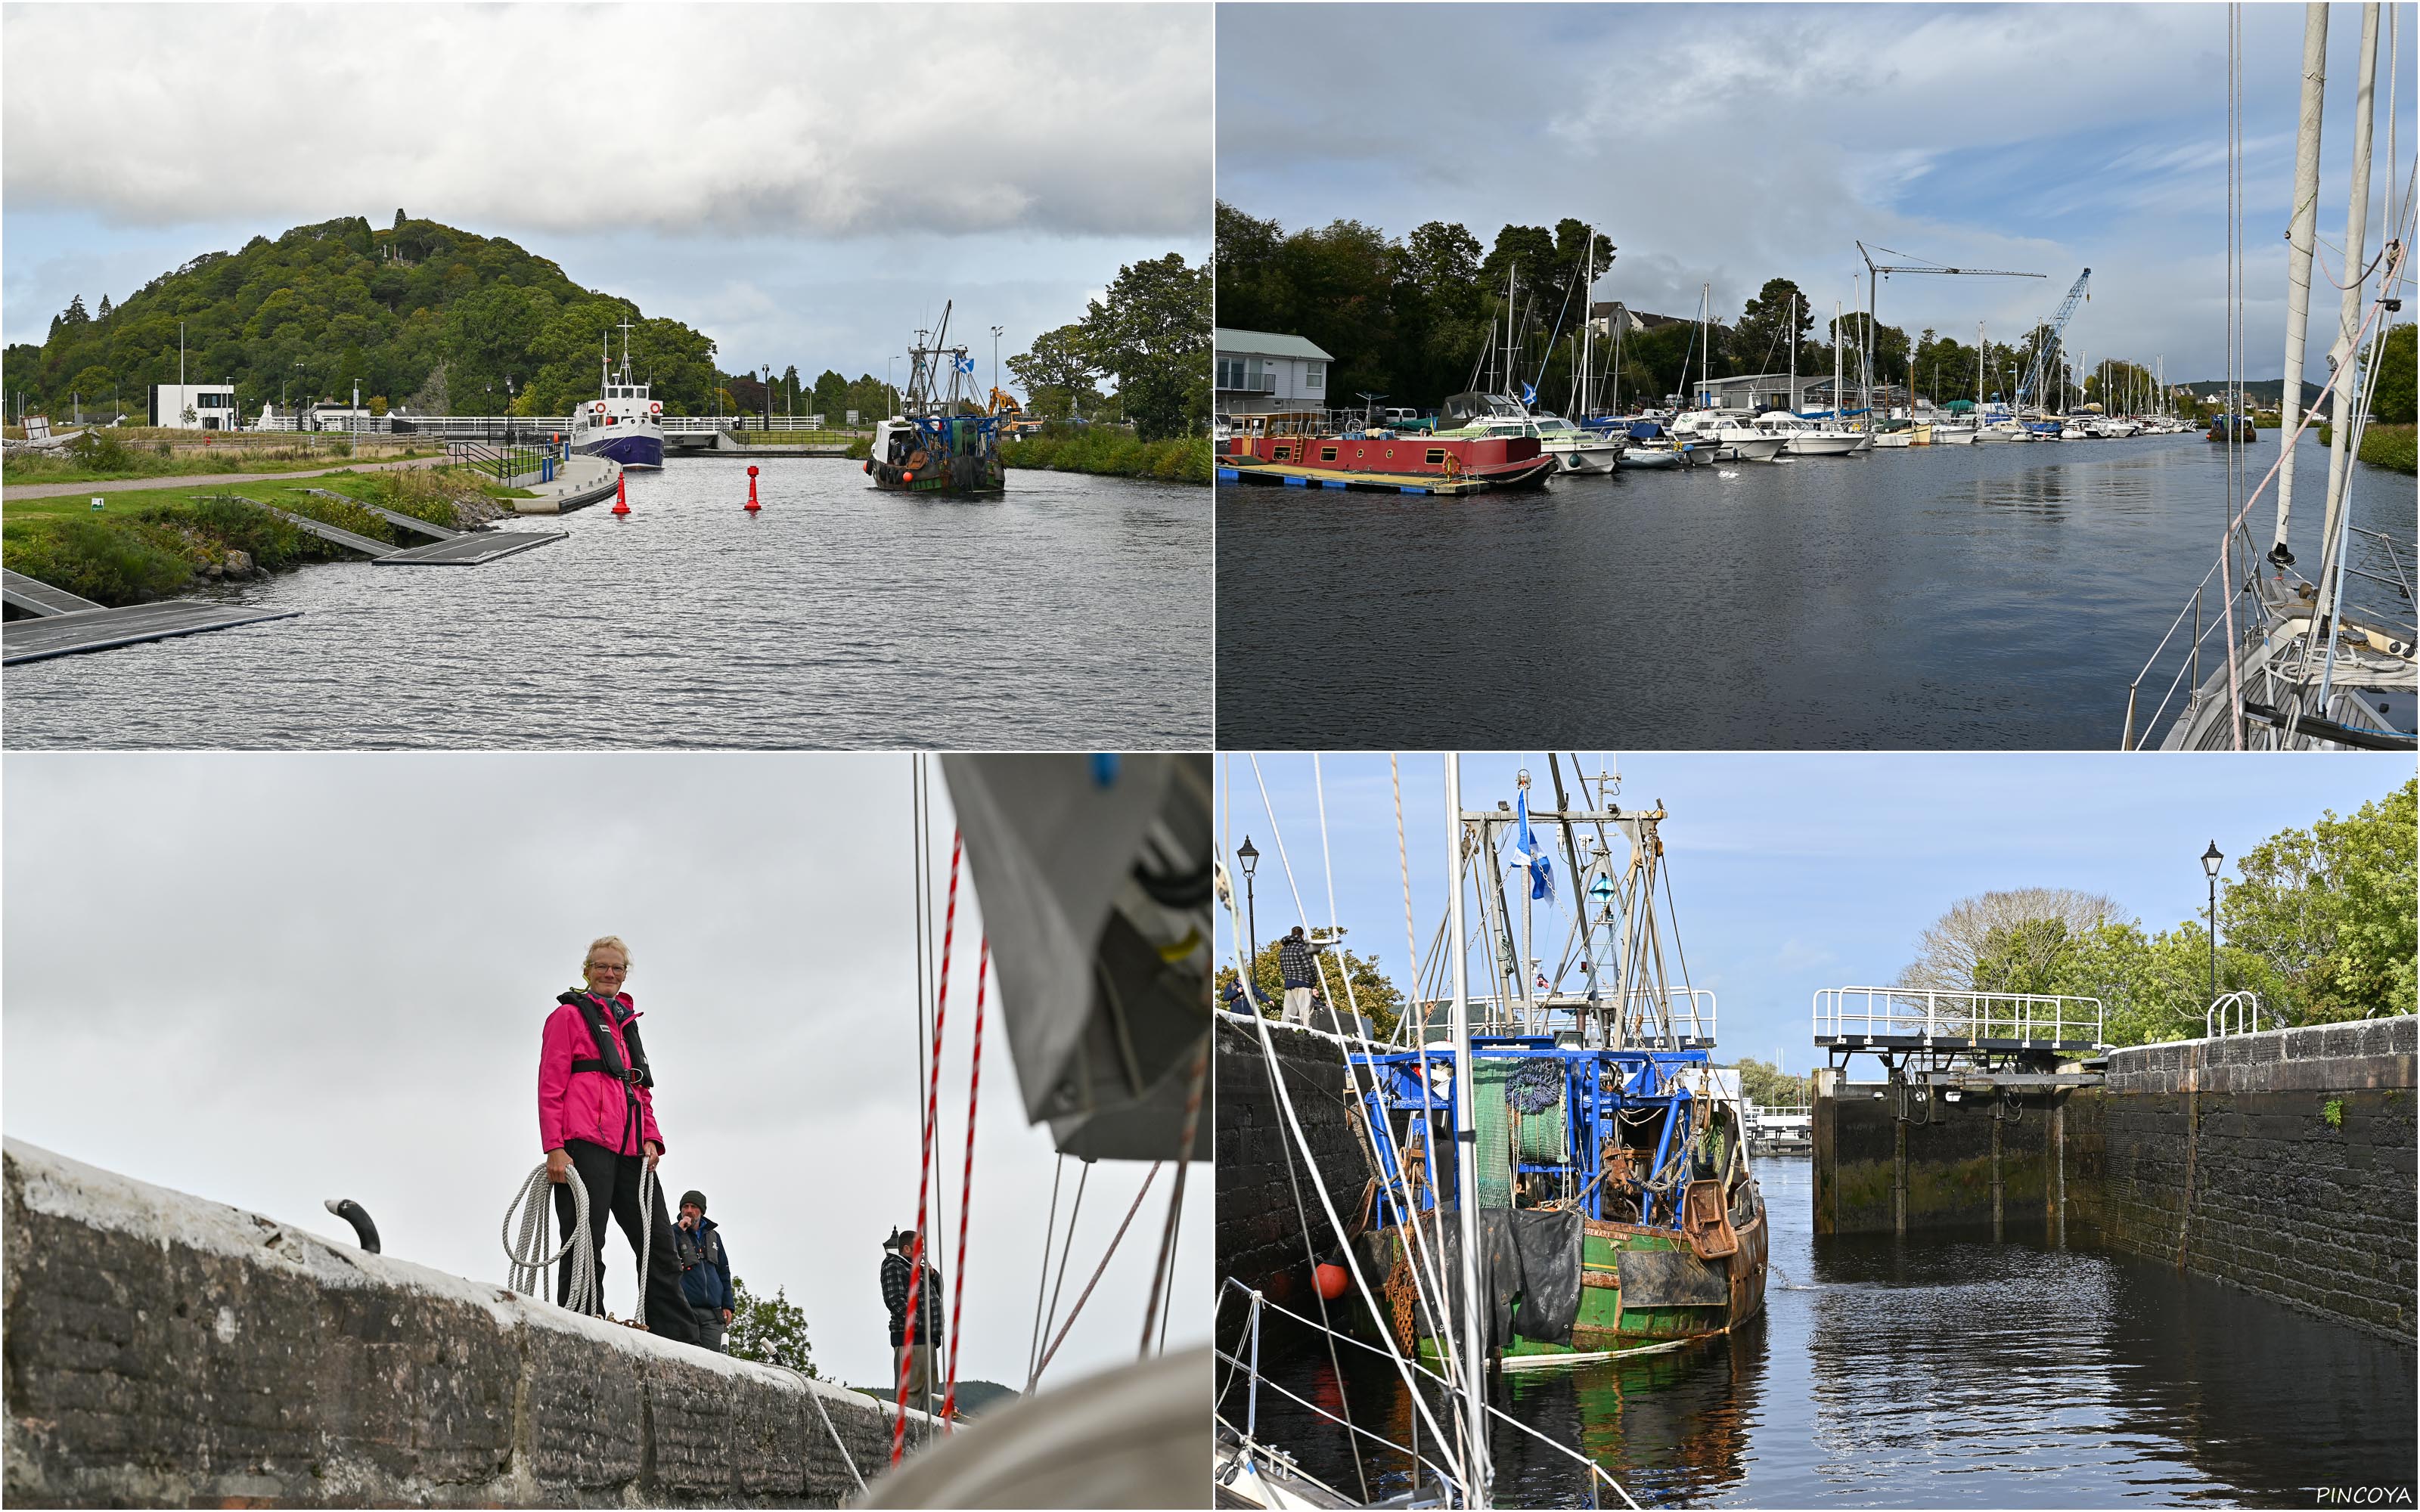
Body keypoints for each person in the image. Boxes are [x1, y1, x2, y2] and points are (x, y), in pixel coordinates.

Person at [538, 935, 704, 1344]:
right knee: (585, 1239)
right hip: (585, 1143)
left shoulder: (626, 1022)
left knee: (660, 1245)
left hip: (632, 1148)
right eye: (601, 966)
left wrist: (651, 1136)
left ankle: (680, 1341)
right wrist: (554, 1147)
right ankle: (581, 1327)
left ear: (625, 973)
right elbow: (550, 1084)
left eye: (617, 968)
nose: (609, 973)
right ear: (587, 971)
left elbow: (640, 1090)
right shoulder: (567, 1019)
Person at [881, 1227, 945, 1409]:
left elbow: (939, 1291)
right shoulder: (893, 1266)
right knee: (910, 1391)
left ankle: (922, 1435)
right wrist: (920, 1324)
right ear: (907, 1249)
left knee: (927, 1390)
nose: (923, 1251)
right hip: (911, 1338)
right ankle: (905, 1435)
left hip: (928, 1339)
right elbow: (894, 1300)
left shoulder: (920, 1270)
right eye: (920, 1247)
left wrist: (933, 1275)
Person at [674, 1191, 736, 1352]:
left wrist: (728, 1305)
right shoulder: (672, 1232)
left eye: (693, 1207)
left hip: (713, 1314)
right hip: (685, 1310)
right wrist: (678, 1232)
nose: (688, 1210)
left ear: (701, 1211)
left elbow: (724, 1272)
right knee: (685, 1357)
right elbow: (661, 1255)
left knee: (717, 1362)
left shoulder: (714, 1237)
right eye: (685, 1207)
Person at [1278, 925, 1320, 1027]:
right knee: (1305, 1011)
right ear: (1302, 936)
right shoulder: (1302, 948)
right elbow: (1309, 967)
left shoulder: (1283, 950)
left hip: (1289, 984)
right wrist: (1313, 981)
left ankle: (1282, 1030)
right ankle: (1306, 1032)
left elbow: (1283, 969)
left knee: (1288, 1012)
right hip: (1303, 983)